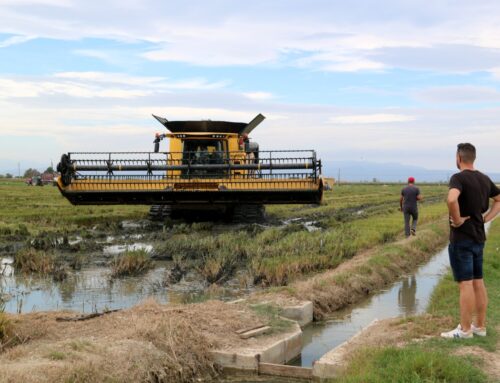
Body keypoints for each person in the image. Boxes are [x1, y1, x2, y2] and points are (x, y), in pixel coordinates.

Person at [441, 143, 500, 339]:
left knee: (465, 284)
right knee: (478, 281)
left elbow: (451, 199)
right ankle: (480, 327)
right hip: (478, 237)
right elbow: (499, 199)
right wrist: (486, 218)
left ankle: (465, 330)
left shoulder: (458, 178)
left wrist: (457, 220)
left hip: (462, 239)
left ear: (459, 157)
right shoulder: (484, 179)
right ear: (473, 158)